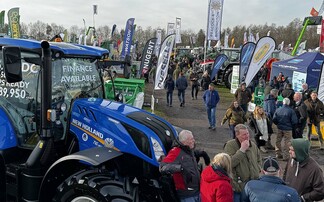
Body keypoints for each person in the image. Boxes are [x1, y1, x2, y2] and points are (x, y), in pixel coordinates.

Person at [223, 124, 262, 202]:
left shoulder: (253, 145)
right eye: (244, 134)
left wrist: (258, 169)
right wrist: (242, 150)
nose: (247, 136)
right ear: (237, 135)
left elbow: (259, 158)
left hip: (254, 184)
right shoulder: (230, 145)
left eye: (247, 133)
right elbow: (229, 163)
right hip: (239, 186)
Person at [159, 130, 201, 202]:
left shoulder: (189, 150)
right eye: (191, 139)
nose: (194, 141)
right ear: (185, 142)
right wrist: (180, 168)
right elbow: (162, 167)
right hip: (187, 195)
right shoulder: (175, 152)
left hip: (197, 191)